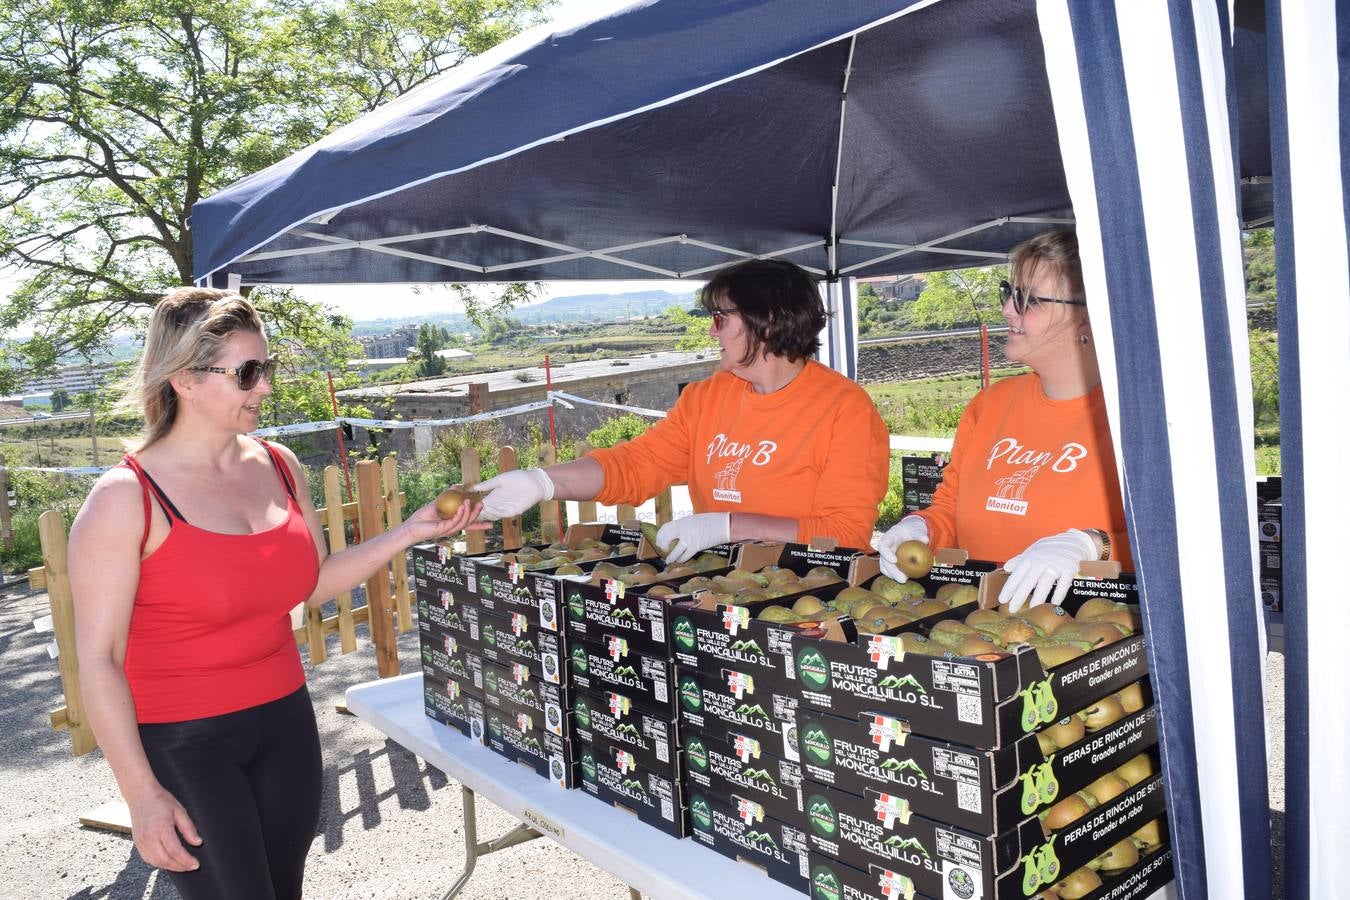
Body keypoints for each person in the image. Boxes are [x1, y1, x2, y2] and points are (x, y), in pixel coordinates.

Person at [67, 288, 483, 900]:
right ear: (184, 379)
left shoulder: (279, 464)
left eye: (267, 368)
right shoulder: (124, 499)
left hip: (285, 721)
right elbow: (97, 660)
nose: (264, 387)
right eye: (247, 373)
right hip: (185, 741)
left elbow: (311, 585)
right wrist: (141, 794)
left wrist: (411, 531)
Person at [473, 259, 891, 557]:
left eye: (720, 317)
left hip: (809, 607)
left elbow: (846, 534)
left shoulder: (844, 410)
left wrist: (729, 526)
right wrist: (543, 482)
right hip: (726, 593)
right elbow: (636, 465)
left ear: (765, 321)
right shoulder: (707, 397)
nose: (711, 330)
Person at [877, 230, 1131, 611]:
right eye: (1009, 292)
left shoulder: (1135, 420)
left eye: (1028, 300)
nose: (1008, 310)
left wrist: (1093, 545)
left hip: (1090, 644)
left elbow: (1178, 543)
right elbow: (950, 509)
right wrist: (922, 527)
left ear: (1087, 317)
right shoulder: (990, 405)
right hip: (981, 631)